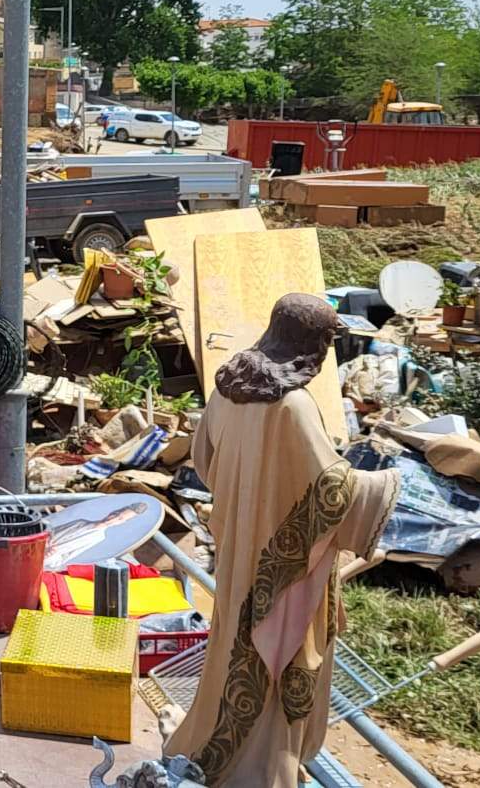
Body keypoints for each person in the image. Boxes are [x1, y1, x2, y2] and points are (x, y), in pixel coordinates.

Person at [162, 294, 400, 786]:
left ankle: (209, 741)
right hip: (281, 568)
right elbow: (330, 489)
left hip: (237, 547)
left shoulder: (229, 382)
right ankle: (261, 768)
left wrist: (246, 499)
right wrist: (384, 487)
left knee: (232, 640)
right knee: (272, 658)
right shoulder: (291, 406)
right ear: (310, 345)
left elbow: (205, 462)